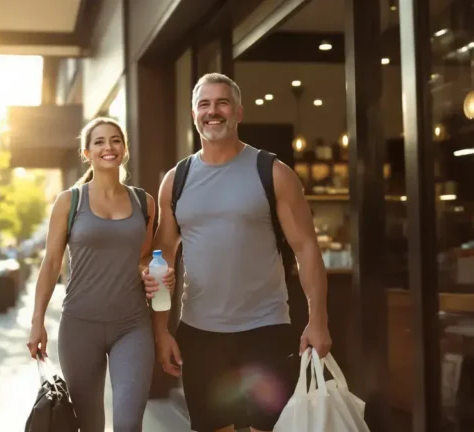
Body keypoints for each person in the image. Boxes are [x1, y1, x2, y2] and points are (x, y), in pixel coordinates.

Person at [143, 73, 332, 432]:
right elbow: (162, 257)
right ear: (193, 114)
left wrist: (317, 320)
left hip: (265, 329)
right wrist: (162, 330)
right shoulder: (176, 179)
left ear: (239, 112)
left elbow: (306, 248)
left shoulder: (272, 172)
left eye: (222, 103)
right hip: (200, 332)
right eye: (204, 104)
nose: (213, 112)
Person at [26, 117, 175, 432]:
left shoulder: (142, 202)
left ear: (125, 149)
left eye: (116, 140)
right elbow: (51, 263)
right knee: (90, 425)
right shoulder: (70, 201)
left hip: (132, 326)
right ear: (86, 152)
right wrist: (37, 321)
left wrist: (157, 273)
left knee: (128, 422)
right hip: (80, 327)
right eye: (100, 142)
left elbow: (144, 257)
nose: (109, 147)